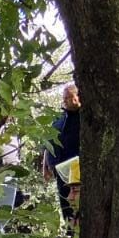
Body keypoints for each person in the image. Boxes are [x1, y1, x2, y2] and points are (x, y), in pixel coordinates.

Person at [43, 84, 80, 223]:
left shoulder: (85, 117)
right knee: (66, 207)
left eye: (69, 98)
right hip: (60, 171)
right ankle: (71, 234)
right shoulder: (59, 118)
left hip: (77, 171)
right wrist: (45, 166)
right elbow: (48, 142)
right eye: (64, 98)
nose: (65, 101)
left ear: (78, 97)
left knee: (77, 206)